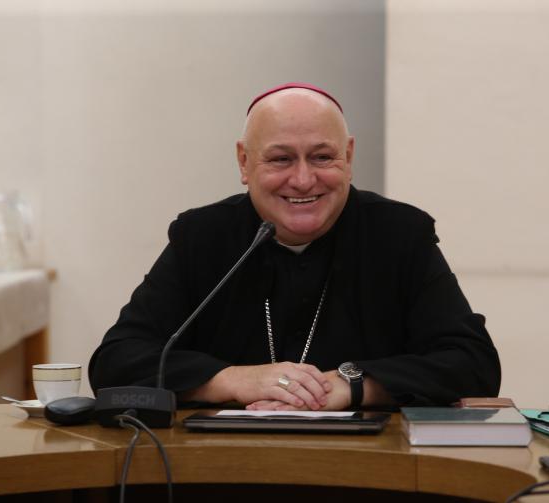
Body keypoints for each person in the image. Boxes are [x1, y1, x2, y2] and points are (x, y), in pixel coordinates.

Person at [89, 82, 500, 411]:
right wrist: (233, 380)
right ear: (244, 162)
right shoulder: (203, 236)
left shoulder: (399, 234)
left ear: (349, 156)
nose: (303, 180)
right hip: (223, 467)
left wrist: (351, 385)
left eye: (321, 157)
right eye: (281, 159)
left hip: (367, 467)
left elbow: (473, 364)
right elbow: (115, 362)